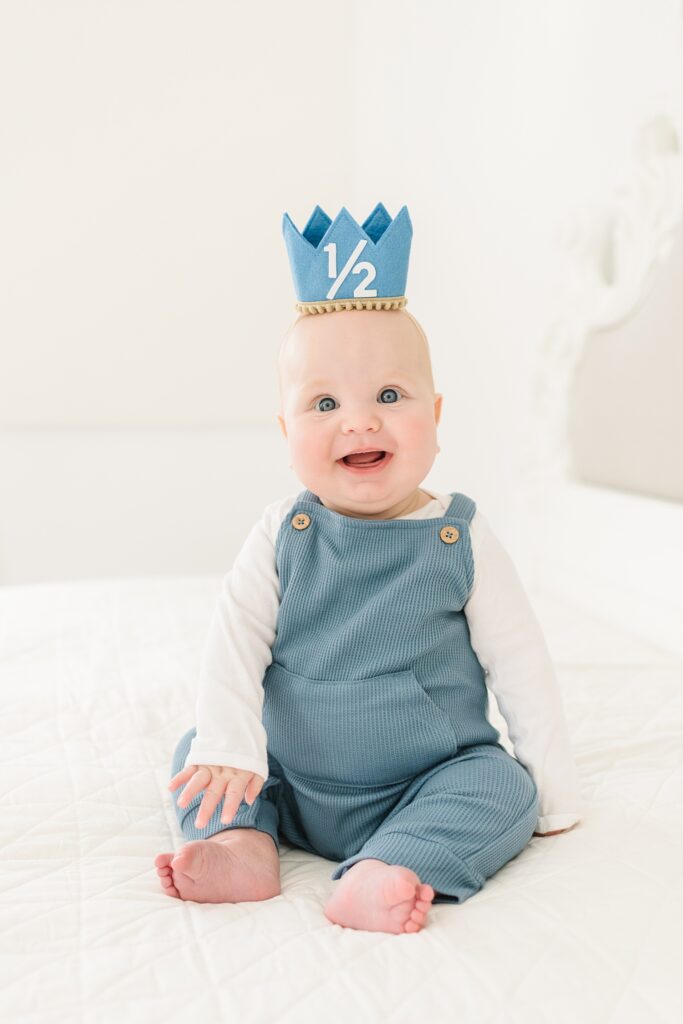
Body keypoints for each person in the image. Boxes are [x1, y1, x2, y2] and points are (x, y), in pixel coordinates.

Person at [154, 205, 583, 935]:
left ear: (435, 415)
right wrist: (231, 747)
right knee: (201, 748)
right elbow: (233, 643)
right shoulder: (282, 533)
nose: (358, 421)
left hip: (424, 779)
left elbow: (520, 664)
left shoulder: (458, 536)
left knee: (504, 787)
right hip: (289, 775)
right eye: (324, 403)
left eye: (389, 396)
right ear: (287, 432)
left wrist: (555, 789)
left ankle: (389, 865)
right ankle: (242, 844)